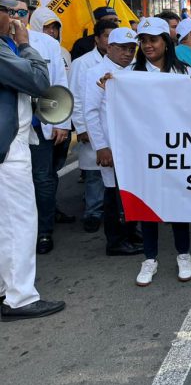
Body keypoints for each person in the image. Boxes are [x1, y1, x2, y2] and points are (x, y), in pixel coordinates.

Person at [0, 0, 66, 321]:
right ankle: (21, 297)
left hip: (10, 145)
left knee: (4, 225)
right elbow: (40, 81)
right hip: (9, 149)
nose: (16, 21)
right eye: (11, 14)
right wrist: (25, 44)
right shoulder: (3, 49)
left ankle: (6, 289)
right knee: (21, 222)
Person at [128, 17, 191, 285]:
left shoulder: (185, 72)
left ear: (166, 42)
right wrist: (110, 84)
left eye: (153, 40)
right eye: (143, 41)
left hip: (176, 149)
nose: (147, 45)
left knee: (178, 203)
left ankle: (183, 255)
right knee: (148, 203)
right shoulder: (130, 75)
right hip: (145, 150)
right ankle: (150, 259)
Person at [84, 28, 143, 258]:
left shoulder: (134, 72)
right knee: (113, 194)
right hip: (111, 145)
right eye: (122, 49)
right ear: (110, 48)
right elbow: (91, 112)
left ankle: (131, 232)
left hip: (131, 145)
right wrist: (101, 146)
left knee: (130, 191)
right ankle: (116, 241)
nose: (128, 54)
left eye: (131, 49)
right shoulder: (96, 73)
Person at [22, 4, 74, 253]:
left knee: (42, 178)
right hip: (9, 128)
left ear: (28, 16)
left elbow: (59, 83)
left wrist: (61, 122)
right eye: (8, 12)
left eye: (21, 12)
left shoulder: (46, 44)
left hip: (39, 124)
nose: (14, 17)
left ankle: (44, 231)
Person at [70, 19, 116, 233]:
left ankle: (113, 214)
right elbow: (77, 98)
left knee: (112, 174)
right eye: (106, 36)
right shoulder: (83, 63)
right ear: (97, 38)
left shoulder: (123, 63)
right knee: (93, 175)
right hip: (90, 125)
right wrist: (81, 128)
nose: (109, 41)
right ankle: (93, 212)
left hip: (111, 127)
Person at [30, 7, 71, 80]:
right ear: (37, 27)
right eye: (47, 27)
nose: (52, 31)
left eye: (54, 27)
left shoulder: (65, 53)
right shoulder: (29, 51)